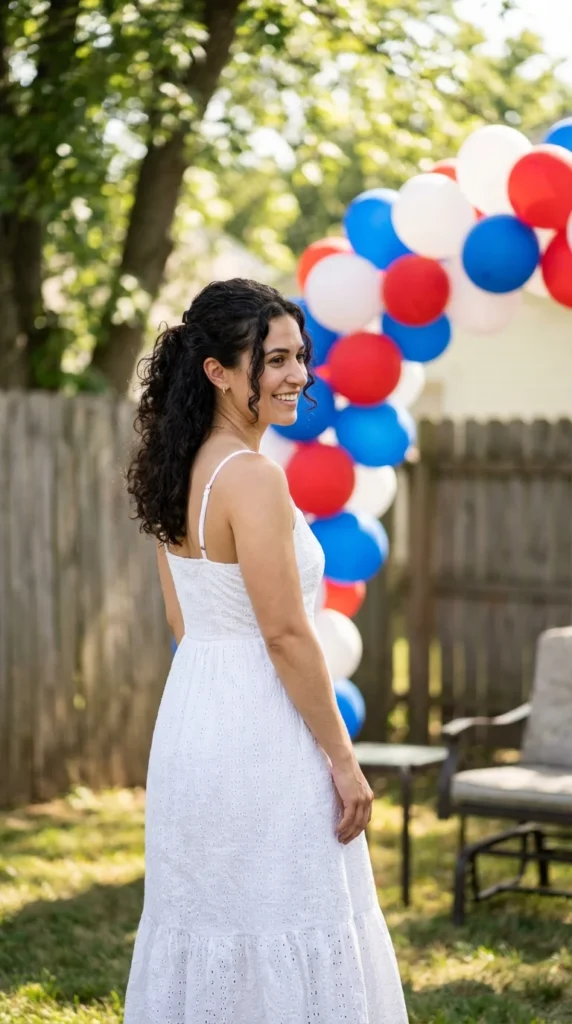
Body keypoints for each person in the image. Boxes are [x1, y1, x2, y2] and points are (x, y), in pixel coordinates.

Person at [123, 278, 408, 1023]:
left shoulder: (176, 467)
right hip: (260, 734)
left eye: (299, 358)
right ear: (218, 370)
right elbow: (284, 634)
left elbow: (185, 623)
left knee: (216, 923)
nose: (297, 376)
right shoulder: (250, 477)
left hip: (195, 717)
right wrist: (344, 761)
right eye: (274, 359)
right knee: (278, 918)